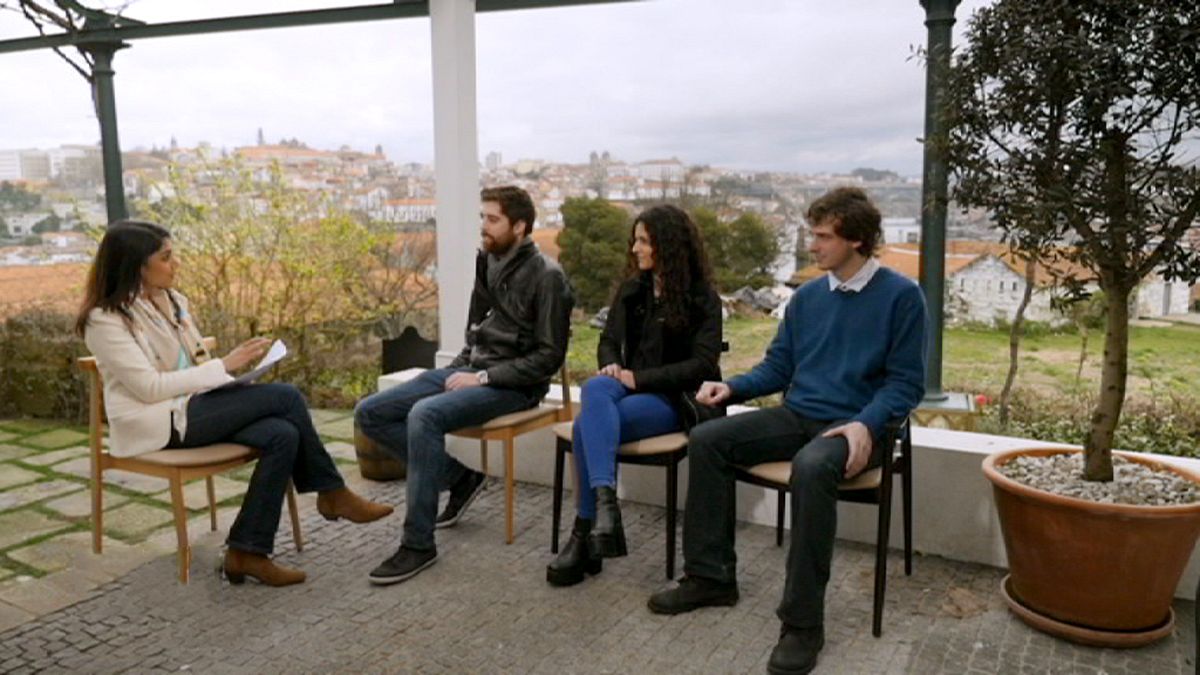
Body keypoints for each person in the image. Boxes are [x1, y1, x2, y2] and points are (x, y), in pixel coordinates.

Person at [646, 187, 927, 675]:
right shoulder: (809, 297)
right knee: (708, 440)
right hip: (799, 416)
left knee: (811, 466)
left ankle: (802, 624)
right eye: (812, 235)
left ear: (857, 240)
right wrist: (731, 387)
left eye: (823, 237)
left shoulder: (902, 297)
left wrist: (865, 423)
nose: (812, 246)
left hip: (859, 428)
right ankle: (711, 578)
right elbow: (779, 368)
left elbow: (906, 384)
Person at [78, 220, 393, 587]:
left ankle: (246, 552)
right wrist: (224, 366)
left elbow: (196, 363)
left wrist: (236, 380)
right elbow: (148, 388)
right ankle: (332, 492)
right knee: (287, 397)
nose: (175, 263)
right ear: (137, 266)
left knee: (283, 433)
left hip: (195, 408)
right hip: (159, 423)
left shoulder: (173, 301)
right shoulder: (104, 320)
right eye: (165, 257)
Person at [356, 185, 574, 585]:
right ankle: (460, 478)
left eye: (493, 219)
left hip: (514, 387)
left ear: (520, 226)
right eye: (482, 218)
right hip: (473, 370)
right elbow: (476, 329)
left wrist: (484, 377)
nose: (484, 227)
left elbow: (548, 357)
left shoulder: (548, 277)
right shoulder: (487, 260)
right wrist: (457, 370)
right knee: (370, 412)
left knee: (424, 415)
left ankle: (418, 544)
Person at [546, 204, 722, 587]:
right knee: (596, 386)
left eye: (643, 241)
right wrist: (611, 365)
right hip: (624, 387)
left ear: (667, 245)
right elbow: (608, 340)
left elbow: (703, 365)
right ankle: (605, 507)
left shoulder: (703, 298)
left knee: (585, 427)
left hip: (673, 398)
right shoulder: (632, 289)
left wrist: (637, 378)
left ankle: (585, 532)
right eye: (635, 240)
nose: (635, 249)